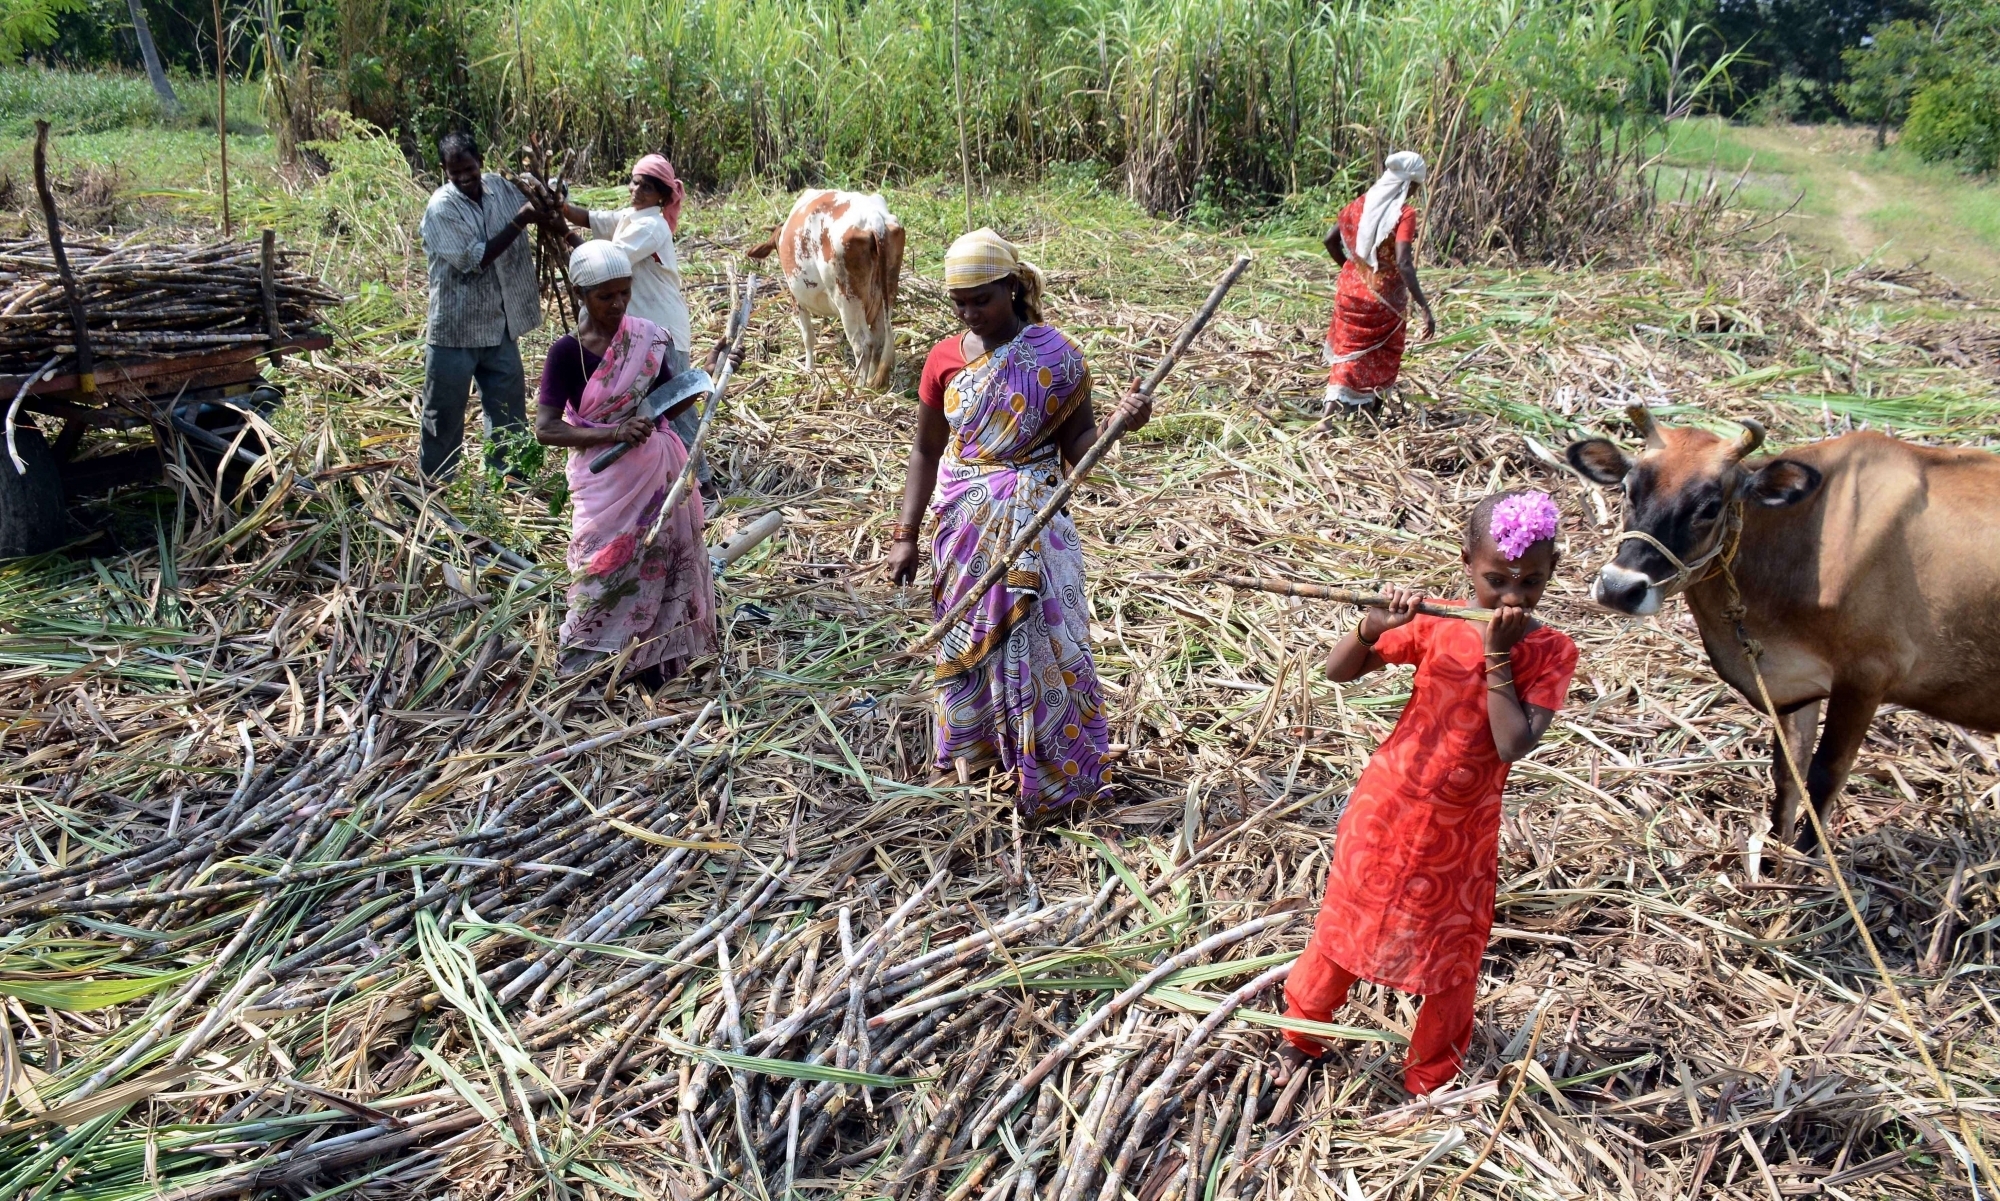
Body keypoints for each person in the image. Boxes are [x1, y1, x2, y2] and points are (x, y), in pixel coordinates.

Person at [1275, 490, 1577, 1097]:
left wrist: (1497, 657)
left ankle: (1431, 1077)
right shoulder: (1436, 621)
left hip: (1463, 828)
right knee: (1346, 924)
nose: (1512, 598)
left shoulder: (1551, 651)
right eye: (1496, 581)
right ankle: (1300, 1035)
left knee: (1452, 949)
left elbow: (1513, 742)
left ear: (1553, 573)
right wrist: (1372, 627)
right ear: (1467, 561)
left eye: (1531, 583)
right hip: (1387, 806)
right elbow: (1338, 672)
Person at [887, 228, 1150, 816]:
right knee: (966, 643)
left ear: (1011, 288)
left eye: (981, 298)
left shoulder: (1055, 358)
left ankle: (1052, 775)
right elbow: (926, 451)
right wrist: (905, 535)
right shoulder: (945, 360)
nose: (969, 312)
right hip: (964, 529)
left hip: (1036, 525)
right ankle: (976, 755)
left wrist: (1122, 425)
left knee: (1046, 646)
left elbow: (1080, 449)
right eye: (958, 301)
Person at [534, 241, 720, 686]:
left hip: (657, 473)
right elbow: (546, 429)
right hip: (605, 483)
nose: (618, 304)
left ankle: (655, 656)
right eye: (605, 296)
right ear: (581, 294)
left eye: (624, 292)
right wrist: (613, 433)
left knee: (661, 561)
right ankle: (589, 659)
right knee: (600, 567)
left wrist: (708, 373)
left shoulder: (648, 338)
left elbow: (667, 405)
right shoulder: (567, 353)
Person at [555, 154, 714, 496]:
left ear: (661, 195)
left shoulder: (652, 225)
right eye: (634, 181)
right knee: (646, 405)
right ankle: (654, 477)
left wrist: (564, 234)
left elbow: (604, 265)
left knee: (677, 406)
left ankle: (701, 480)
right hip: (635, 327)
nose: (637, 189)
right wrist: (559, 207)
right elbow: (590, 217)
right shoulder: (631, 216)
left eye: (647, 185)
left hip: (662, 327)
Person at [418, 131, 545, 480]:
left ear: (481, 162)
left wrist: (550, 195)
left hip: (499, 326)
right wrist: (522, 220)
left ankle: (509, 481)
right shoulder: (441, 208)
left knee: (509, 413)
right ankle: (437, 485)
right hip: (455, 331)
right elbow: (477, 258)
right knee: (443, 415)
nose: (463, 178)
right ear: (444, 170)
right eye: (453, 172)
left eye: (469, 169)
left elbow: (539, 191)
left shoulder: (501, 188)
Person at [1323, 151, 1435, 409]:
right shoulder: (1404, 214)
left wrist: (1353, 271)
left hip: (1348, 291)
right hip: (1382, 299)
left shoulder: (1361, 204)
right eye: (1417, 186)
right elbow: (1404, 263)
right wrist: (1425, 308)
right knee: (1380, 351)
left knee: (1348, 351)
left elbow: (1330, 240)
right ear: (1410, 184)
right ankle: (1354, 408)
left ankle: (1343, 409)